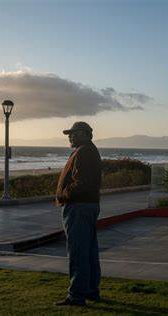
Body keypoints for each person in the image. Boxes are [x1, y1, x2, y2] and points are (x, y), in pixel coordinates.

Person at [55, 121, 102, 306]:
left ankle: (76, 295)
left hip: (78, 207)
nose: (70, 136)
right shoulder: (88, 150)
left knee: (78, 252)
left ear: (84, 134)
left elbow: (82, 182)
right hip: (86, 206)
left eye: (73, 133)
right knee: (88, 252)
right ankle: (90, 291)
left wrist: (63, 194)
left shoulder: (84, 152)